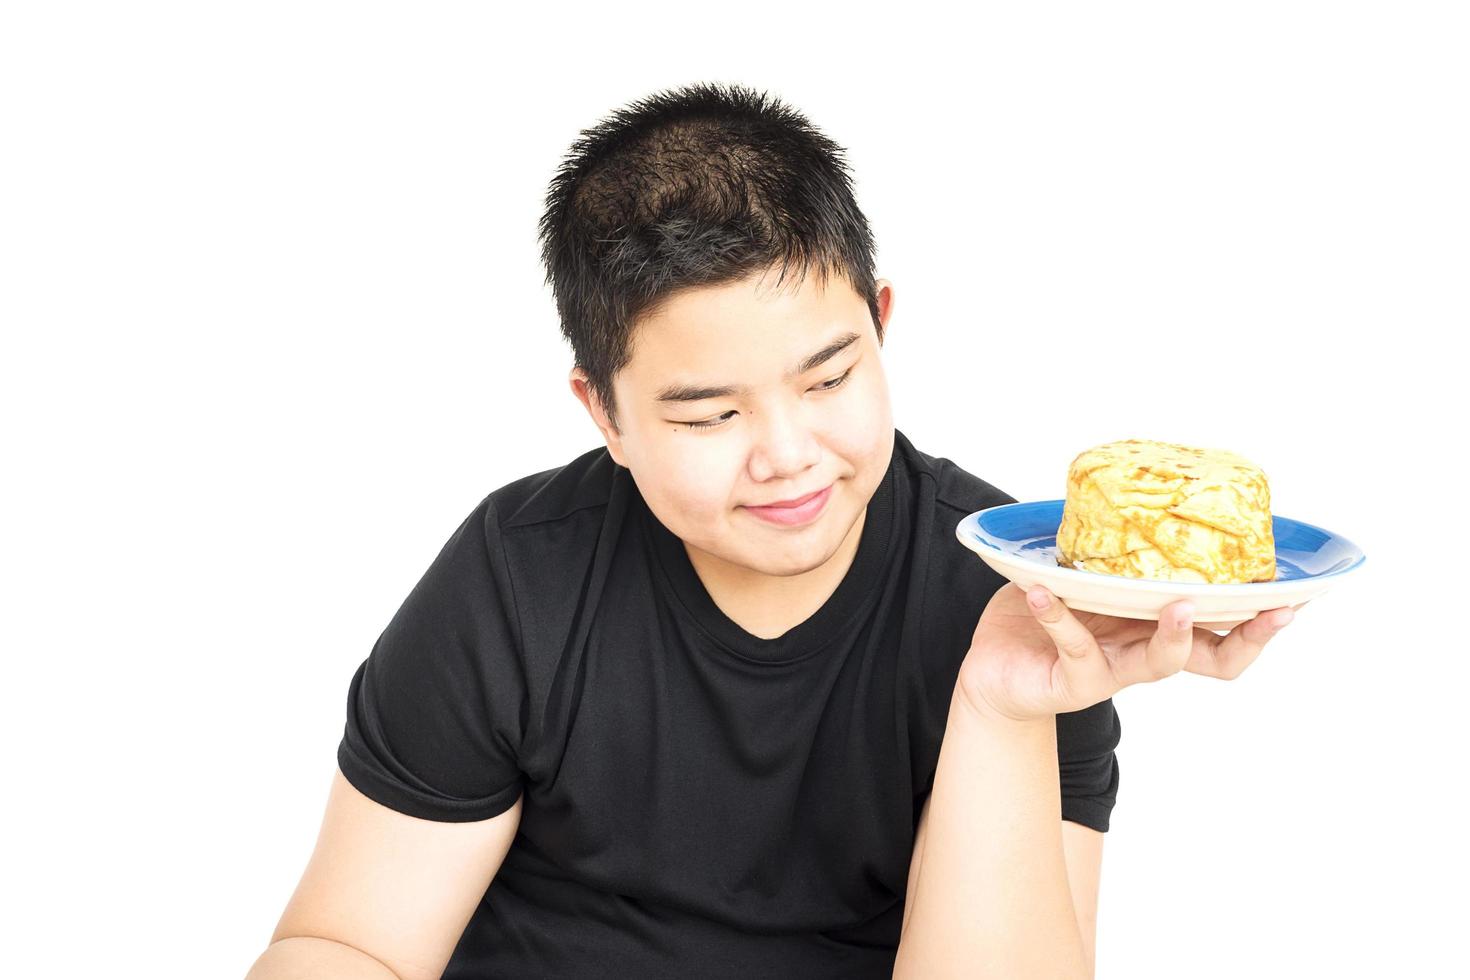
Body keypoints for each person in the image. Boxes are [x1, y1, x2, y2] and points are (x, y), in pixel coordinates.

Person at [245, 82, 1296, 980]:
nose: (787, 452)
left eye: (830, 376)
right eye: (710, 414)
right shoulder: (519, 579)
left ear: (881, 323)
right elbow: (354, 943)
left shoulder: (1013, 594)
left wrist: (999, 708)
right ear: (603, 411)